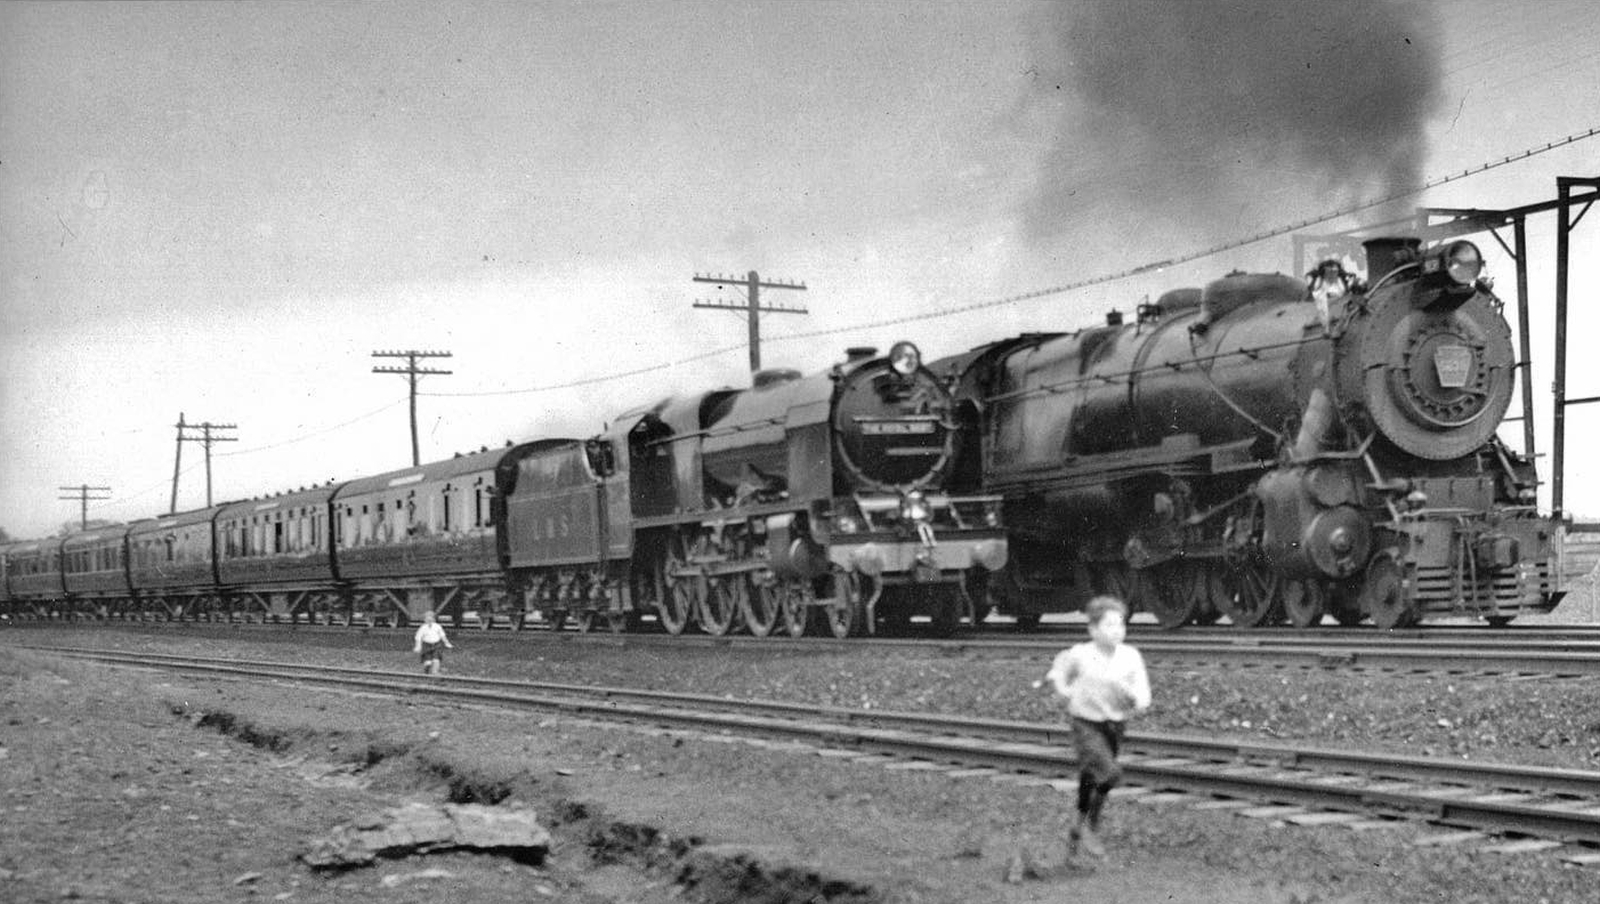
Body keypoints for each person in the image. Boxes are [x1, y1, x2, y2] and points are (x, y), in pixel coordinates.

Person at [1042, 595, 1151, 859]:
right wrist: (1064, 690)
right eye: (1110, 625)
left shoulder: (1130, 656)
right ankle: (1091, 828)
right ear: (1093, 630)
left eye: (1121, 625)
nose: (1117, 631)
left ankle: (1077, 828)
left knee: (1091, 778)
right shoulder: (1080, 654)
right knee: (1110, 774)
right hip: (1085, 724)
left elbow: (1143, 695)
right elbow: (1057, 673)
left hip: (1114, 726)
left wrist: (1135, 699)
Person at [412, 610, 453, 675]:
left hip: (436, 645)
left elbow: (442, 635)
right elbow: (418, 638)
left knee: (436, 659)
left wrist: (446, 643)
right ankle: (426, 670)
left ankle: (435, 672)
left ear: (434, 619)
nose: (429, 621)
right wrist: (418, 646)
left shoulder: (437, 627)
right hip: (426, 645)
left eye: (431, 619)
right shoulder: (423, 628)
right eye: (427, 619)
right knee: (428, 662)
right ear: (424, 620)